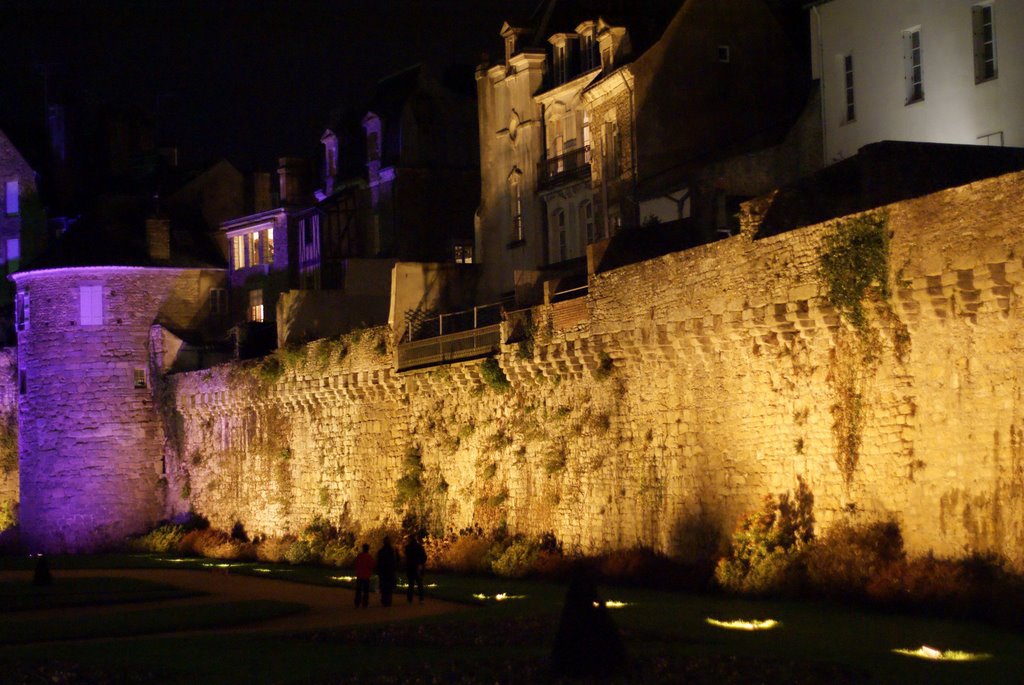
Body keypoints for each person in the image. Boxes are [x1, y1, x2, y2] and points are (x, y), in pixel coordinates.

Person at [404, 533, 428, 603]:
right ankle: (421, 598)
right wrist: (421, 564)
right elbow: (424, 557)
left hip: (411, 567)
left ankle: (410, 598)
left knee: (411, 583)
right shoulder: (419, 547)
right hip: (417, 567)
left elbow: (407, 557)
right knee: (419, 584)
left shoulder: (408, 547)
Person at [376, 536, 397, 607]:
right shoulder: (392, 551)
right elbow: (395, 561)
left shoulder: (381, 551)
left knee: (383, 586)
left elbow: (379, 561)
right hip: (389, 571)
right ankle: (388, 600)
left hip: (383, 571)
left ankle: (384, 599)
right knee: (389, 586)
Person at [353, 543, 375, 608]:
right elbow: (372, 565)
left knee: (358, 590)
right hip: (366, 576)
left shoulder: (359, 556)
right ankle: (364, 603)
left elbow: (356, 563)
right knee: (366, 591)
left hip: (360, 575)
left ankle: (357, 602)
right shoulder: (369, 557)